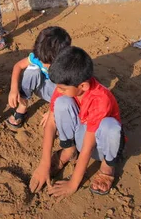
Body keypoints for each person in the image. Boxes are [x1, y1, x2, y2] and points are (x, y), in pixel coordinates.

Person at [30, 46, 124, 197]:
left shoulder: (100, 99)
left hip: (100, 145)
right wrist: (44, 164)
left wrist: (73, 183)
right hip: (83, 132)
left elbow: (87, 147)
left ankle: (107, 168)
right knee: (62, 103)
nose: (58, 90)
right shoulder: (65, 86)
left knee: (110, 127)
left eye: (62, 88)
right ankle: (69, 150)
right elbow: (51, 124)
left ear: (83, 86)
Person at [6, 26, 71, 130]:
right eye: (42, 60)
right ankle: (23, 105)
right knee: (32, 69)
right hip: (42, 86)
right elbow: (18, 66)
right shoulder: (38, 56)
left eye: (48, 63)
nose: (44, 64)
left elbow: (66, 91)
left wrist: (52, 111)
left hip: (58, 93)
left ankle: (56, 111)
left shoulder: (66, 66)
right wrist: (13, 89)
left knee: (68, 101)